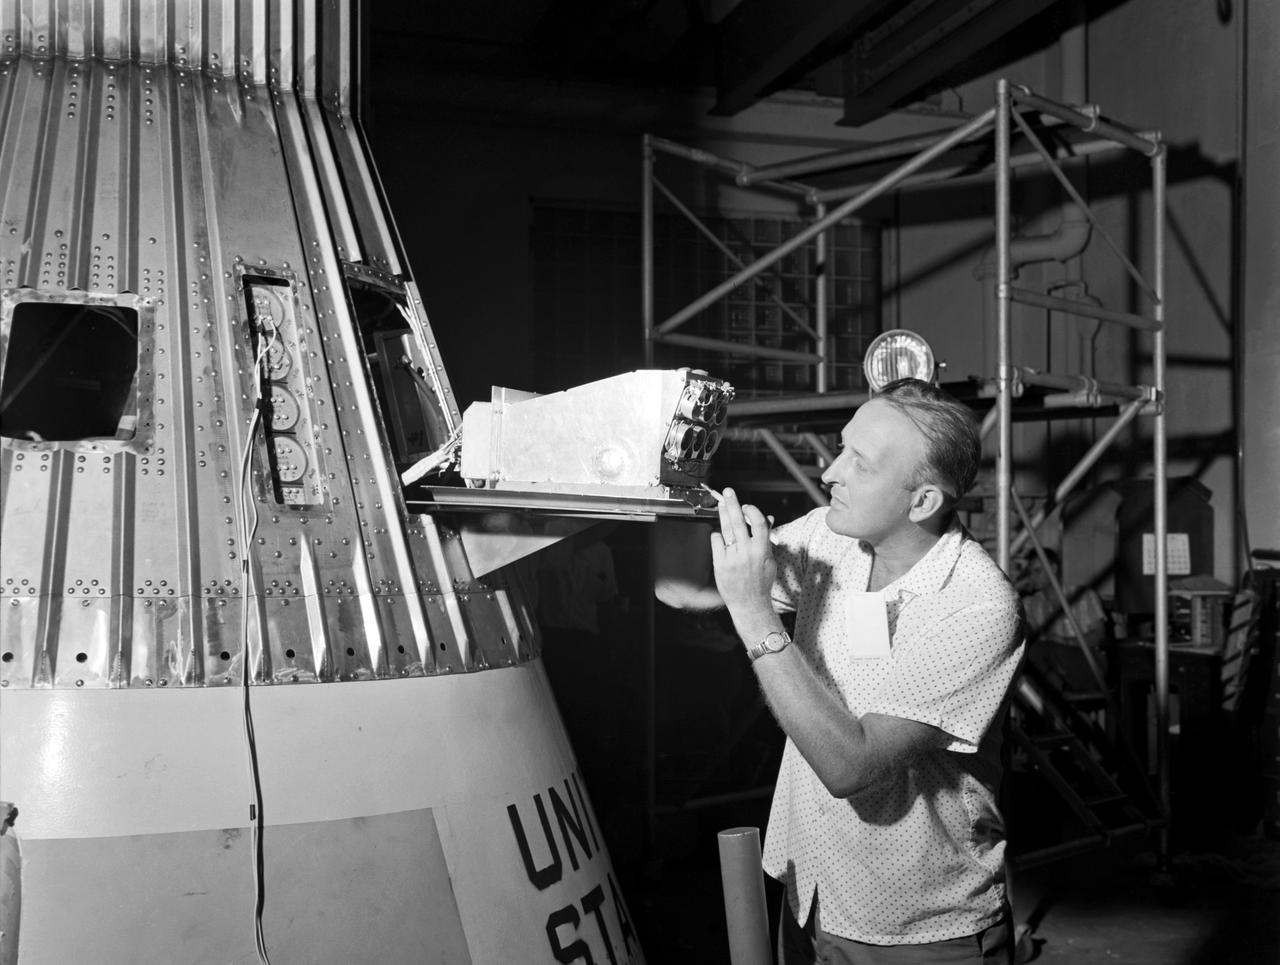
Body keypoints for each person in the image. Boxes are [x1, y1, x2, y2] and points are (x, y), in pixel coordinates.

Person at [655, 378, 1025, 963]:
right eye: (841, 449)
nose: (830, 474)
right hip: (810, 889)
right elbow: (684, 590)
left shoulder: (976, 606)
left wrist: (755, 612)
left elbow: (851, 765)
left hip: (914, 927)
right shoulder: (830, 537)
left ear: (923, 501)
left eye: (860, 463)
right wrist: (671, 481)